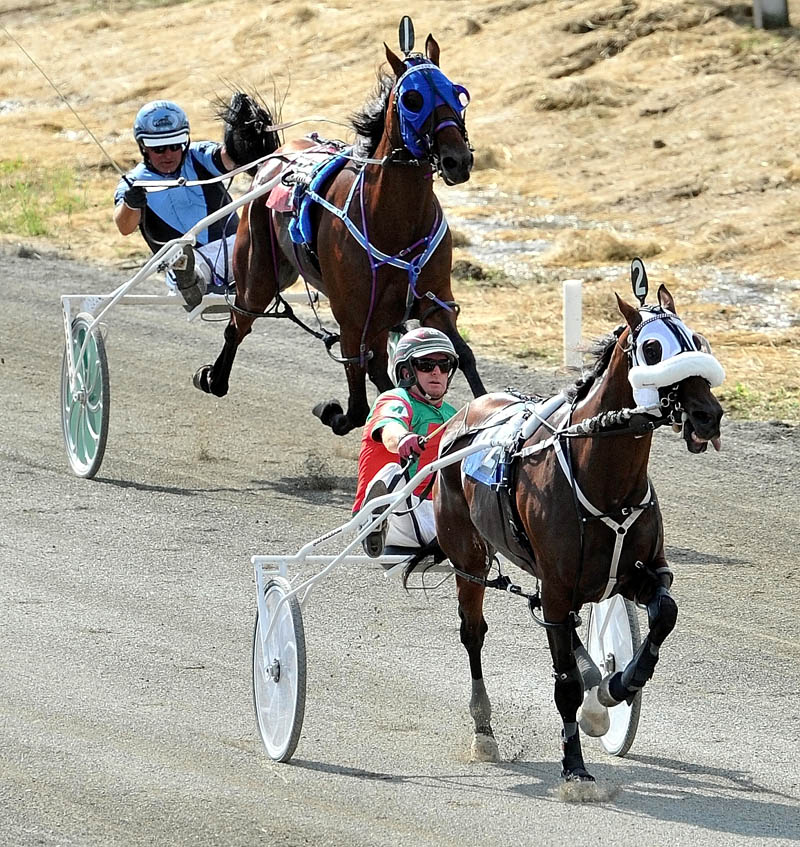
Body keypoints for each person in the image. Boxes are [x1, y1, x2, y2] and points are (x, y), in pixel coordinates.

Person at [113, 95, 278, 309]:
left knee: (265, 236)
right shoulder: (133, 182)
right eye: (159, 149)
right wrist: (132, 203)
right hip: (184, 264)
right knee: (184, 261)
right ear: (143, 147)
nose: (168, 155)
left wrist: (242, 135)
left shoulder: (197, 155)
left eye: (175, 146)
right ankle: (192, 279)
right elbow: (124, 227)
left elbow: (228, 159)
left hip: (234, 250)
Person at [353, 327, 460, 557]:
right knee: (393, 471)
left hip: (435, 515)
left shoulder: (454, 415)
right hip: (396, 517)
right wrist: (402, 438)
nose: (437, 372)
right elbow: (390, 426)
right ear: (405, 372)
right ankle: (373, 521)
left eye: (444, 365)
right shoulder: (395, 399)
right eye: (426, 365)